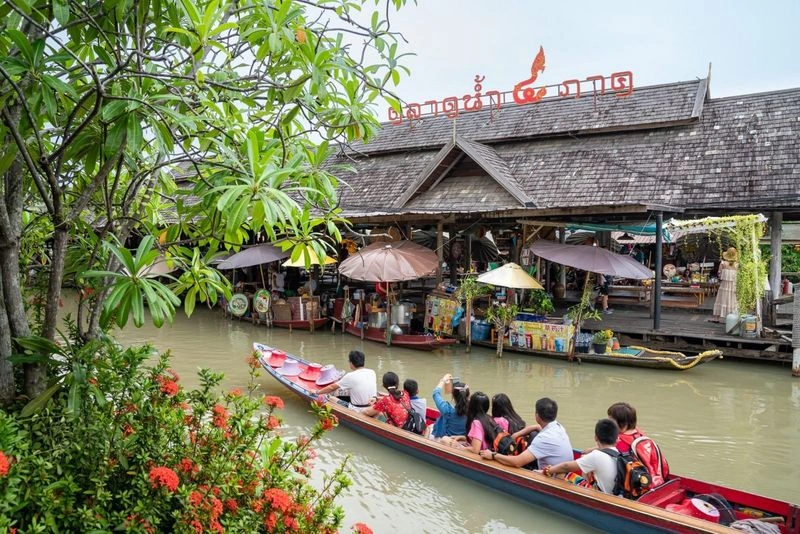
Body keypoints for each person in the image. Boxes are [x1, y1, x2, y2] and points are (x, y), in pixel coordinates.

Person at [479, 397, 573, 470]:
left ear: (537, 415)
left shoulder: (543, 438)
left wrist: (493, 455)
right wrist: (517, 434)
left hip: (551, 475)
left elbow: (517, 462)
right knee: (532, 435)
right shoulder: (558, 426)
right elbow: (538, 427)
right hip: (561, 468)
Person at [543, 419, 620, 495]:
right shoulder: (618, 454)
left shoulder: (596, 455)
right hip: (615, 493)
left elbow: (565, 466)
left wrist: (548, 470)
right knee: (585, 461)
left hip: (603, 495)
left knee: (560, 474)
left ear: (596, 437)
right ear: (616, 439)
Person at [443, 392, 508, 454]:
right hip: (489, 450)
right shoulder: (489, 418)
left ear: (472, 406)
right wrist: (461, 437)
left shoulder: (476, 423)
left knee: (444, 439)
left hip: (481, 454)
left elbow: (475, 449)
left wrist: (458, 447)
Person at [430, 373, 469, 439]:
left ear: (453, 396)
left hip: (447, 440)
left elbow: (435, 393)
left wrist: (443, 380)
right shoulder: (473, 409)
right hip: (463, 439)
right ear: (468, 396)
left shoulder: (446, 409)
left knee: (429, 428)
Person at [713, 247, 738, 322]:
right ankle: (732, 318)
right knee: (732, 301)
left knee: (721, 299)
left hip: (724, 285)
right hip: (733, 286)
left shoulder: (723, 263)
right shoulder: (737, 265)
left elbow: (719, 274)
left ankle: (717, 318)